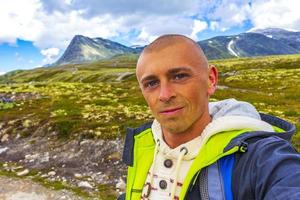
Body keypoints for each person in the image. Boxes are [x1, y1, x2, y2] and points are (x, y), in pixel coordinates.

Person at [119, 34, 300, 200]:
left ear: (211, 79)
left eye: (179, 76)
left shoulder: (259, 157)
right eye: (151, 83)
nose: (164, 95)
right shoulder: (143, 146)